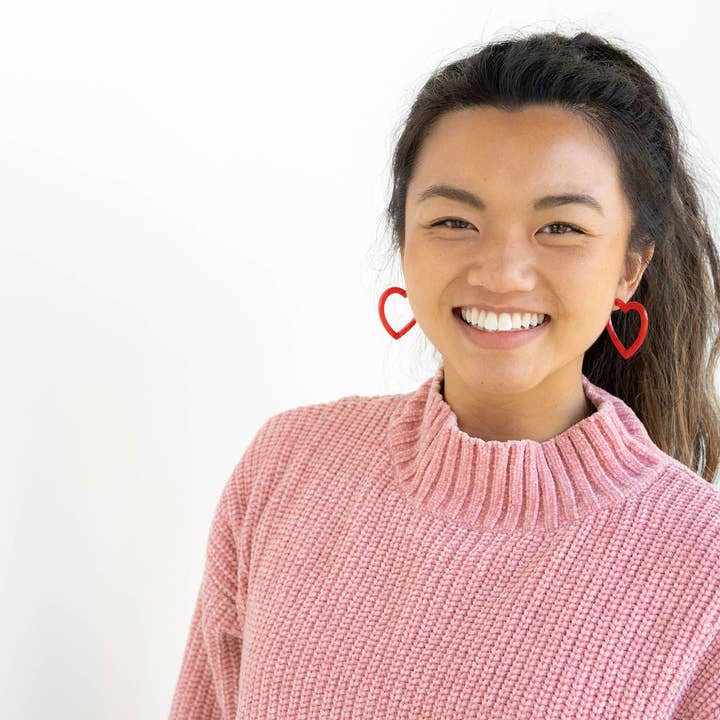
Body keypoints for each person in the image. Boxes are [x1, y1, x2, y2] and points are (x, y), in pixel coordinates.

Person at [169, 29, 720, 719]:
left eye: (561, 229)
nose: (500, 273)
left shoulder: (702, 563)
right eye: (455, 220)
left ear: (630, 268)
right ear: (404, 241)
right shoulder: (286, 470)